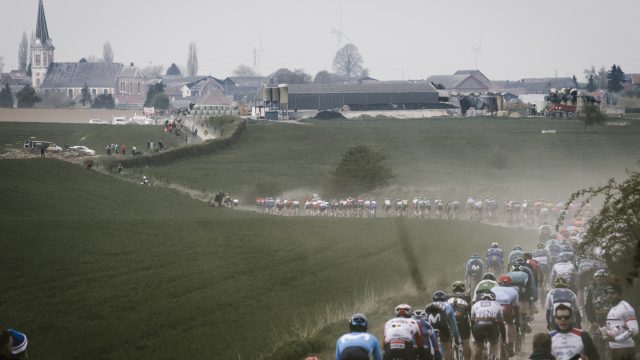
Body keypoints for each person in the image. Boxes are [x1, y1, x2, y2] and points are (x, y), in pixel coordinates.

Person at [604, 283, 638, 360]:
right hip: (614, 350)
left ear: (619, 294)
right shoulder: (612, 308)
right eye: (607, 293)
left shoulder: (625, 308)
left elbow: (634, 329)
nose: (609, 295)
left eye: (612, 293)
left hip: (625, 350)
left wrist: (616, 339)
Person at [470, 292, 506, 360]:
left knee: (479, 346)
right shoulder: (497, 305)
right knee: (494, 343)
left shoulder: (475, 305)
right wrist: (504, 339)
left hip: (478, 324)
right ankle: (494, 356)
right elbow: (501, 324)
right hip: (492, 324)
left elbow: (472, 322)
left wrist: (474, 336)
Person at [427, 291, 461, 360]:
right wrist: (457, 339)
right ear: (445, 299)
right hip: (442, 326)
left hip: (431, 327)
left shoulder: (429, 305)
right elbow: (453, 326)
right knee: (447, 345)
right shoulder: (448, 305)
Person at [492, 275, 520, 357]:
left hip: (494, 307)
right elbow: (515, 308)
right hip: (506, 307)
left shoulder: (493, 289)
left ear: (499, 283)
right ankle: (510, 346)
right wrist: (517, 320)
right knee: (511, 323)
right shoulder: (514, 290)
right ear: (510, 283)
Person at [448, 283, 471, 360]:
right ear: (463, 289)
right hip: (463, 322)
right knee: (466, 342)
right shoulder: (466, 296)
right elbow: (470, 312)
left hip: (449, 322)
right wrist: (472, 324)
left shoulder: (447, 296)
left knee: (447, 344)